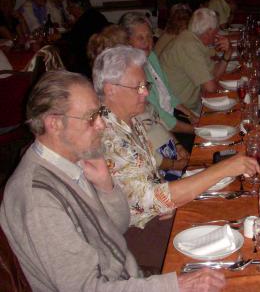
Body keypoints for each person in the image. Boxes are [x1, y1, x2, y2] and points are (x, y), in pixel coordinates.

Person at [0, 70, 226, 291]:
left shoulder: (72, 159)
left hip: (128, 273)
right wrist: (175, 285)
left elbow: (116, 229)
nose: (102, 124)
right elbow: (87, 287)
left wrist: (106, 188)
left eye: (100, 114)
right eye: (91, 117)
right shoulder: (39, 200)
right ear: (54, 123)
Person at [94, 46, 260, 271]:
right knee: (232, 240)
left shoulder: (128, 119)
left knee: (229, 212)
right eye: (139, 87)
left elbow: (151, 184)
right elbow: (150, 200)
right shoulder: (108, 136)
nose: (145, 92)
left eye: (146, 85)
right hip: (131, 238)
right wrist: (222, 169)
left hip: (154, 216)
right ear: (111, 90)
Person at [119, 12, 198, 150]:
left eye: (149, 36)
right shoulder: (132, 73)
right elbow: (160, 117)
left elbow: (169, 94)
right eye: (140, 38)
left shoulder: (152, 57)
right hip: (160, 128)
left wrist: (191, 115)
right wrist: (196, 130)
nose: (147, 41)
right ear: (127, 41)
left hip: (172, 116)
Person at [159, 8, 233, 113]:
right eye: (216, 30)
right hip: (178, 111)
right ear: (209, 32)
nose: (218, 34)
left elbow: (213, 74)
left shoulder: (192, 40)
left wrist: (227, 55)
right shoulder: (188, 46)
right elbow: (210, 88)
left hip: (191, 105)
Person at [57, 0, 109, 76]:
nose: (69, 11)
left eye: (70, 7)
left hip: (89, 67)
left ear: (76, 6)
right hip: (101, 62)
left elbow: (73, 41)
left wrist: (60, 37)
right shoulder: (96, 15)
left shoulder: (83, 21)